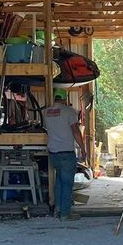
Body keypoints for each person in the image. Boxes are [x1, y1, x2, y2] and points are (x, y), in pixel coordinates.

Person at [42, 89, 82, 221]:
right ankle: (65, 214)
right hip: (66, 152)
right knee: (67, 183)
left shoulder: (46, 112)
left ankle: (57, 209)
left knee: (59, 181)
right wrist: (83, 148)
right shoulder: (69, 111)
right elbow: (76, 131)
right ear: (65, 98)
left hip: (53, 152)